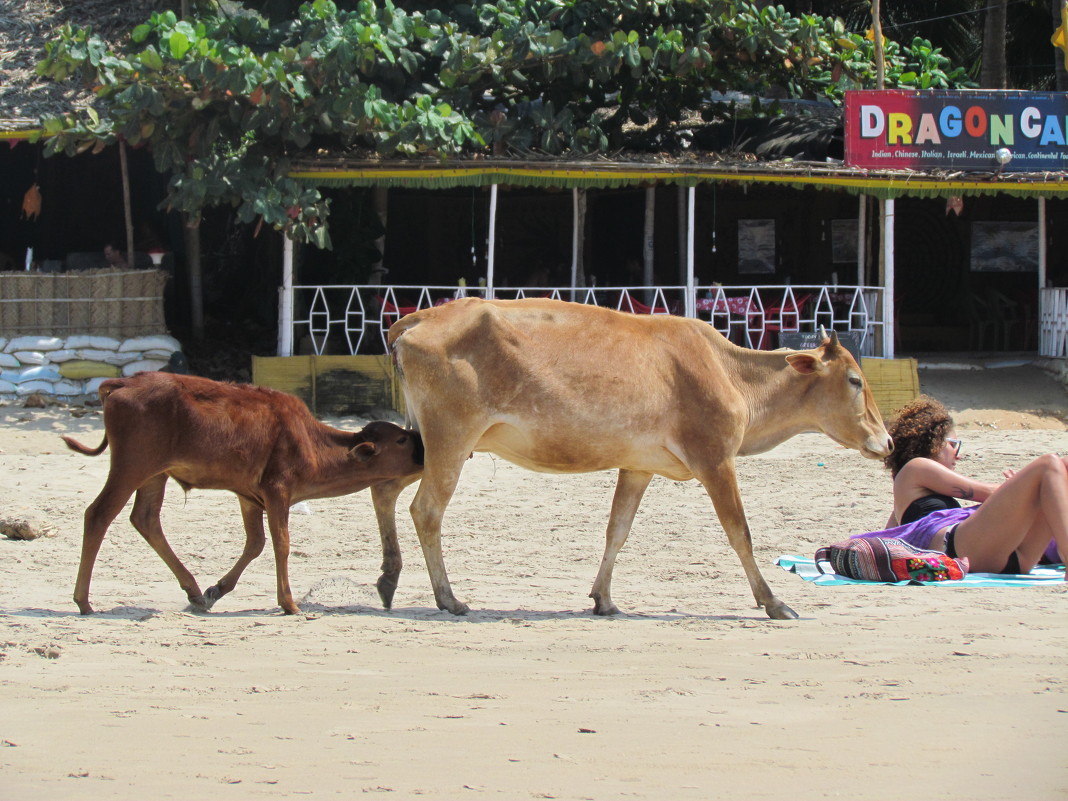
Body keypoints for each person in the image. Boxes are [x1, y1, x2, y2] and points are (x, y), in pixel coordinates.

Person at [853, 395, 1064, 576]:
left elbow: (894, 538)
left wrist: (1022, 488)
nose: (958, 454)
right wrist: (1017, 487)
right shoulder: (915, 468)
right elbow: (989, 493)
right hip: (961, 551)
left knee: (1062, 468)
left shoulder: (904, 499)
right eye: (954, 444)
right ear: (934, 441)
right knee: (1048, 465)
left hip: (1008, 558)